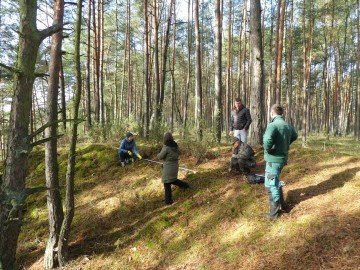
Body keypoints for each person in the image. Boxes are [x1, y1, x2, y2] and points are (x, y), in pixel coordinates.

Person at [263, 104, 298, 220]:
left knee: (270, 184)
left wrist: (268, 150)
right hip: (283, 158)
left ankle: (274, 214)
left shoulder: (273, 125)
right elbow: (295, 135)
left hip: (273, 159)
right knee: (276, 181)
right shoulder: (287, 125)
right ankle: (283, 206)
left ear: (272, 113)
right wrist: (284, 145)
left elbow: (267, 140)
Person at [157, 132, 189, 205]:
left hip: (168, 167)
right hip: (175, 166)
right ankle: (185, 185)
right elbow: (179, 153)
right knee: (173, 180)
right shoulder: (175, 145)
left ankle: (168, 201)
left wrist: (158, 153)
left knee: (167, 183)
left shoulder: (166, 147)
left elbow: (159, 157)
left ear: (165, 138)